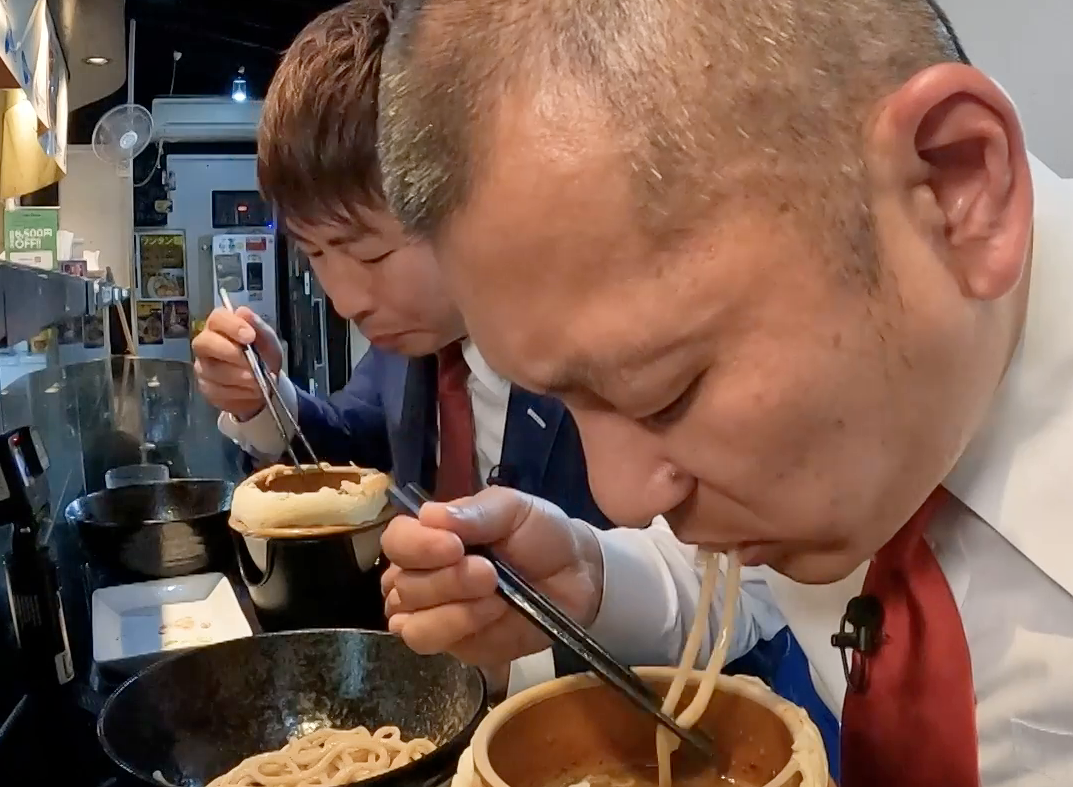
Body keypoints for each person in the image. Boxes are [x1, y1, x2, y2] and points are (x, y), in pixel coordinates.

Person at [371, 0, 1073, 787]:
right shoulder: (819, 454)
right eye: (564, 399)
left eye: (664, 390)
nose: (624, 492)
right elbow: (742, 593)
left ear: (952, 182)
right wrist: (588, 573)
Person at [190, 0, 824, 724]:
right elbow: (356, 448)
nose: (342, 300)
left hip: (659, 719)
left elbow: (745, 583)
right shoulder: (415, 344)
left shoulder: (613, 322)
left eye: (371, 253)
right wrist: (264, 399)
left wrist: (558, 607)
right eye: (314, 254)